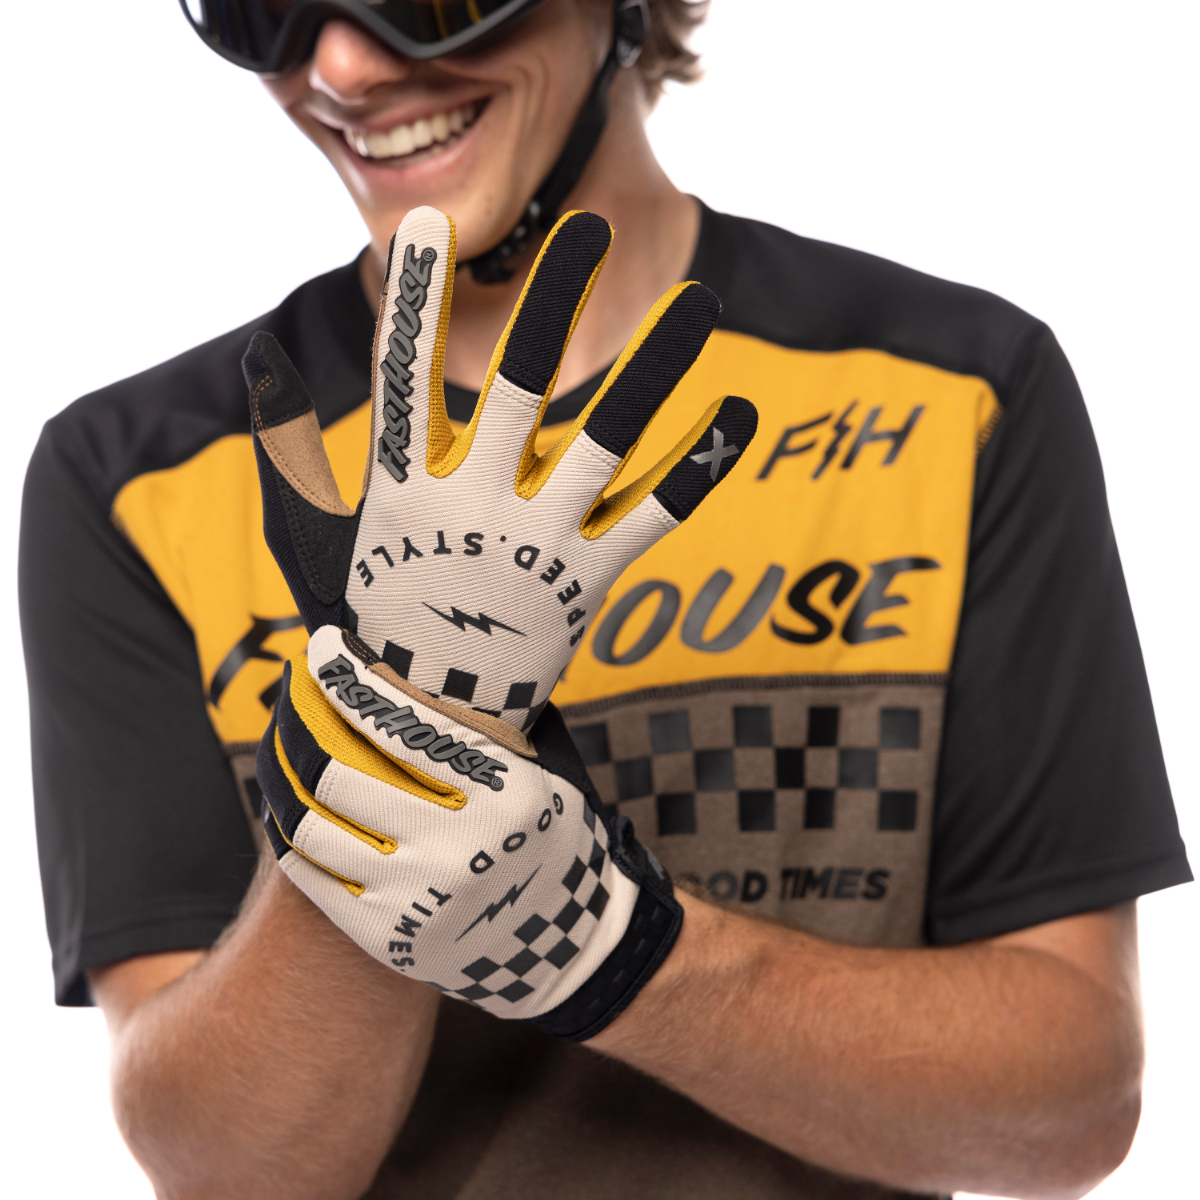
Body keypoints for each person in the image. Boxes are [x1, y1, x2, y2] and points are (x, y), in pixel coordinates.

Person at [18, 1, 1191, 1197]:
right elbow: (222, 1171)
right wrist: (401, 726)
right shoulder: (138, 479)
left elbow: (1069, 1111)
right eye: (264, 4)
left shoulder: (954, 394)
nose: (341, 66)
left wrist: (617, 956)